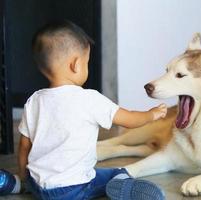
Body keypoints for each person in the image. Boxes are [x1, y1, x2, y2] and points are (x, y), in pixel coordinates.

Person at [0, 20, 167, 200]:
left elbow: (24, 146)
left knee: (34, 181)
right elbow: (130, 119)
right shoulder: (89, 99)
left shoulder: (34, 101)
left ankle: (17, 184)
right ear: (76, 65)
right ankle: (122, 185)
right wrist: (152, 114)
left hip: (39, 185)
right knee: (114, 173)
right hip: (71, 190)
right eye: (87, 62)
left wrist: (26, 178)